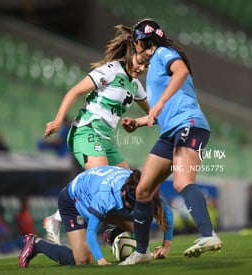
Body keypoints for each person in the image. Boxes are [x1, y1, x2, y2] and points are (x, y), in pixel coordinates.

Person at [118, 18, 223, 265]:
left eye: (136, 44)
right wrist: (139, 122)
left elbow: (182, 71)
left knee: (182, 182)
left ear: (145, 42)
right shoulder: (153, 67)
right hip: (170, 133)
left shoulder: (165, 53)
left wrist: (160, 104)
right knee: (144, 190)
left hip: (189, 125)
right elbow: (159, 112)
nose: (135, 50)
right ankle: (142, 252)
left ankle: (208, 235)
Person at [41, 24, 151, 243]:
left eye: (147, 65)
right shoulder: (110, 71)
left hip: (105, 141)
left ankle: (114, 232)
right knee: (100, 185)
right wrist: (59, 119)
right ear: (131, 52)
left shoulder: (136, 86)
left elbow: (154, 115)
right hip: (85, 132)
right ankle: (56, 218)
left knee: (128, 190)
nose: (142, 67)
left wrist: (146, 122)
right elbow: (74, 91)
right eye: (141, 61)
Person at [18, 166, 172, 267]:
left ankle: (112, 234)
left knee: (139, 225)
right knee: (83, 260)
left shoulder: (144, 187)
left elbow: (167, 212)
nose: (135, 209)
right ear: (124, 194)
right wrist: (100, 259)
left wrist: (166, 246)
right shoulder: (105, 197)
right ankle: (36, 243)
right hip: (74, 200)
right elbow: (91, 231)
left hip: (94, 188)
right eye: (131, 206)